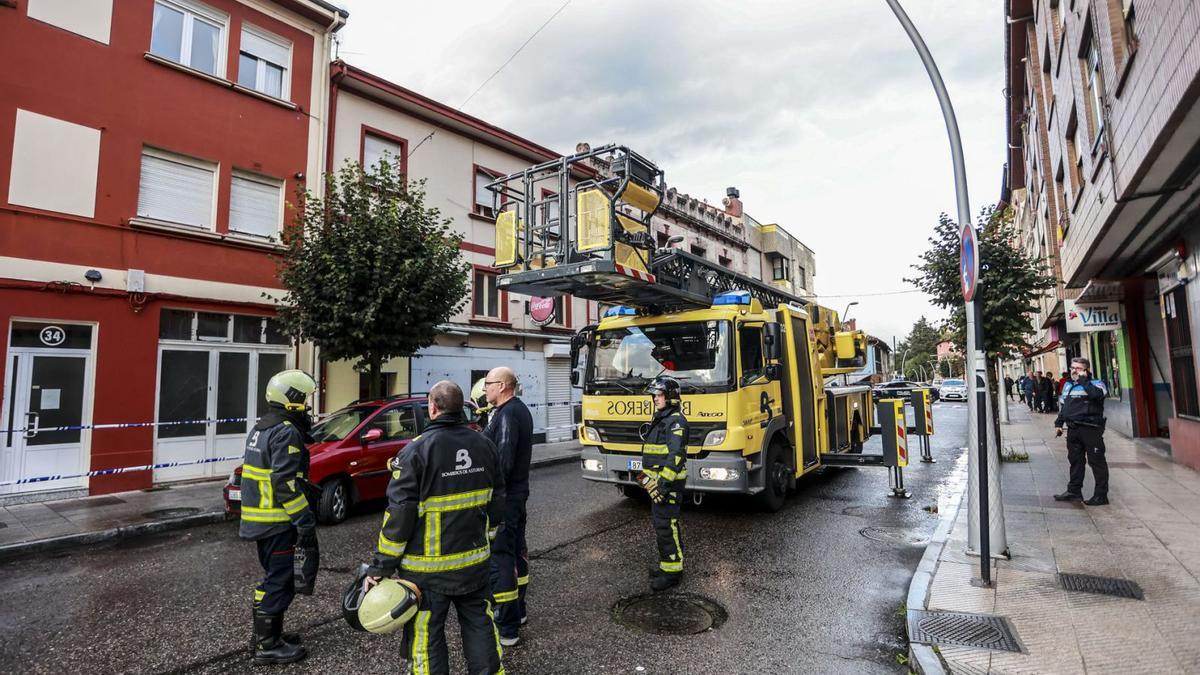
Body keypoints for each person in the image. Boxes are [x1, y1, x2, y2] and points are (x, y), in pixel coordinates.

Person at [363, 381, 506, 674]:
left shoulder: (415, 452)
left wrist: (381, 567)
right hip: (474, 564)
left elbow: (399, 517)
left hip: (426, 573)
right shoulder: (484, 445)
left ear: (432, 407)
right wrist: (487, 541)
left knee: (426, 636)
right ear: (460, 407)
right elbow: (497, 501)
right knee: (480, 624)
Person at [239, 370, 319, 665]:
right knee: (281, 580)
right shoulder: (286, 431)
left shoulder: (261, 427)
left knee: (272, 577)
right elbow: (285, 484)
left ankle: (266, 634)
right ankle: (267, 645)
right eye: (305, 399)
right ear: (292, 399)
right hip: (278, 521)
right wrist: (304, 520)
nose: (307, 406)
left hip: (261, 521)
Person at [482, 366, 533, 647]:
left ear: (502, 386)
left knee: (501, 558)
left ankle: (507, 626)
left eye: (488, 383)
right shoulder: (516, 410)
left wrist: (489, 494)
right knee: (516, 553)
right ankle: (519, 611)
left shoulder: (508, 414)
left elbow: (503, 461)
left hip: (504, 499)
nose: (484, 389)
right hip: (516, 496)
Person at [641, 376, 690, 592]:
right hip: (657, 484)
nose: (655, 399)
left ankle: (672, 574)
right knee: (664, 526)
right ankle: (666, 566)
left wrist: (663, 484)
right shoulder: (663, 418)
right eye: (654, 395)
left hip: (667, 485)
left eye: (659, 395)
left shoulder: (676, 421)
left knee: (666, 526)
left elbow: (676, 456)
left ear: (671, 397)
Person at [1054, 358, 1109, 506]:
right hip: (1073, 429)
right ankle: (1074, 492)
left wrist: (1083, 380)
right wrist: (1059, 423)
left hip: (1091, 428)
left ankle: (1101, 495)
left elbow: (1097, 395)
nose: (1074, 371)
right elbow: (1065, 406)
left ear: (1086, 370)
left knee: (1096, 462)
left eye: (1078, 368)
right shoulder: (1068, 385)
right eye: (1072, 368)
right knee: (1075, 461)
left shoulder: (1096, 383)